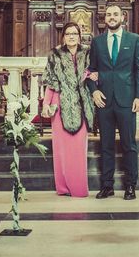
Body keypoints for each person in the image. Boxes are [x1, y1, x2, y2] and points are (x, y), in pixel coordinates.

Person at [88, 4, 139, 200]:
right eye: (108, 15)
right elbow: (90, 71)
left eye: (115, 14)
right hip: (104, 101)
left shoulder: (134, 39)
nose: (112, 17)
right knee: (106, 144)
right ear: (105, 19)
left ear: (123, 17)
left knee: (129, 144)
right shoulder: (97, 42)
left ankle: (130, 185)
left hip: (127, 100)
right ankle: (107, 186)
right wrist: (94, 91)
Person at [42, 22, 96, 197]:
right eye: (68, 34)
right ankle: (63, 187)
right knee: (61, 149)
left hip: (81, 103)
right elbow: (51, 82)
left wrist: (93, 75)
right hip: (59, 104)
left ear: (79, 36)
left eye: (74, 33)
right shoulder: (55, 54)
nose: (71, 36)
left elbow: (95, 73)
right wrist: (46, 104)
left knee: (79, 149)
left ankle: (79, 188)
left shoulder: (88, 53)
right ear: (63, 36)